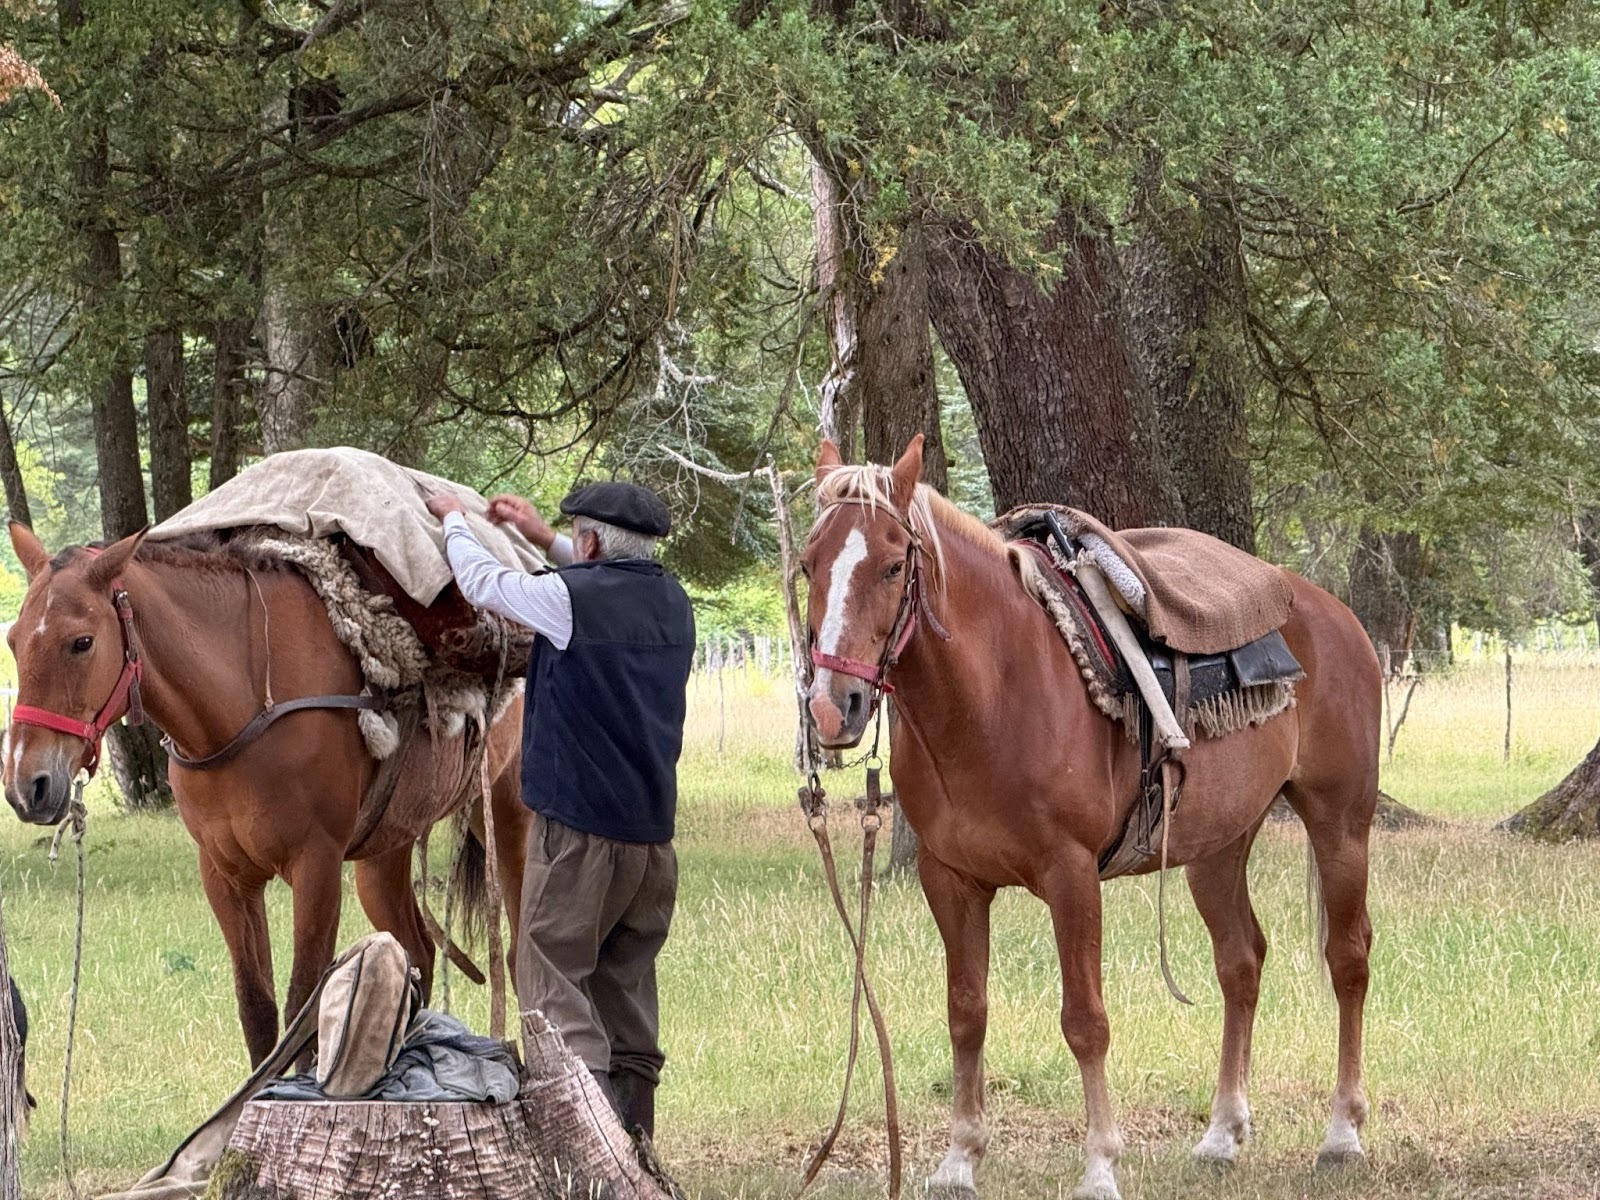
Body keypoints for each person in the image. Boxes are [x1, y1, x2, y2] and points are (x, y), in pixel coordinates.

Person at [425, 482, 695, 1141]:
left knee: (549, 984)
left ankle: (588, 1159)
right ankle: (636, 1150)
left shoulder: (569, 601)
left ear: (594, 542)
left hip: (578, 838)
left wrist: (456, 521)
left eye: (579, 534)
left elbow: (486, 583)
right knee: (624, 992)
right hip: (652, 842)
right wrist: (547, 539)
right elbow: (603, 584)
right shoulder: (673, 603)